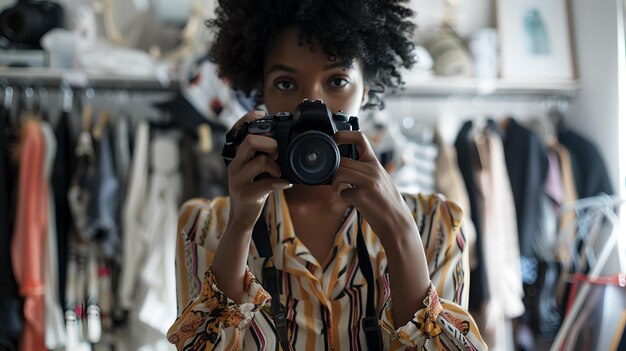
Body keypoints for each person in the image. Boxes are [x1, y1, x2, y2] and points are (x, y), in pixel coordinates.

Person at [167, 0, 486, 349]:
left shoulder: (436, 226)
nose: (311, 104)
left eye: (337, 80)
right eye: (286, 84)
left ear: (365, 92)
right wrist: (240, 226)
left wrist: (401, 235)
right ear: (262, 97)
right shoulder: (206, 228)